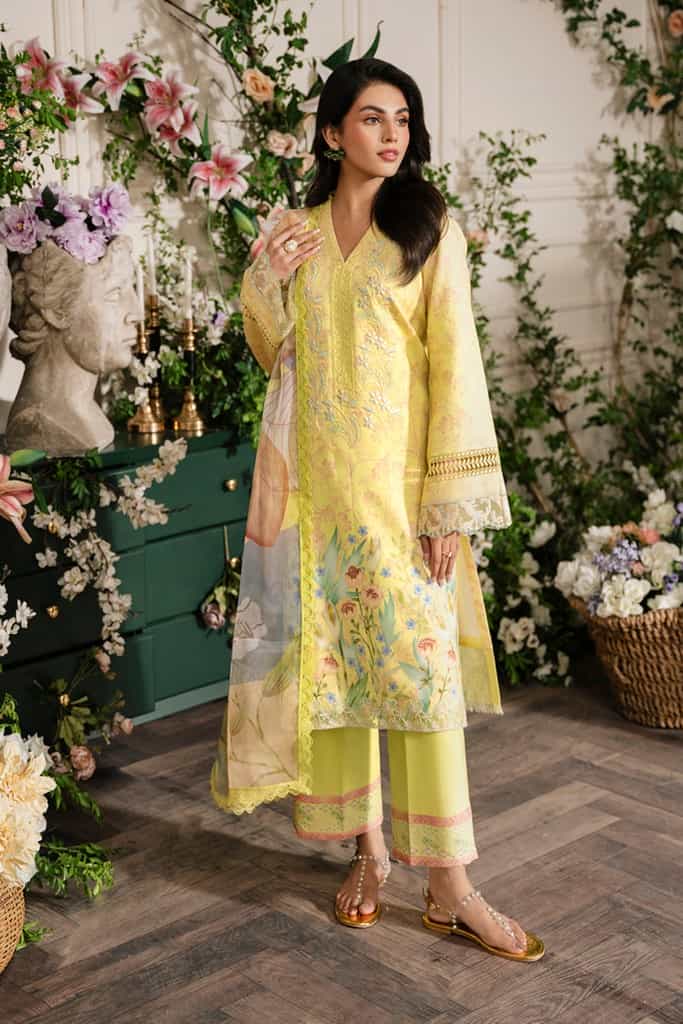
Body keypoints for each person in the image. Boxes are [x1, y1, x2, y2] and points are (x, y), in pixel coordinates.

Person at [211, 57, 544, 962]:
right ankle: (369, 855)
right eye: (370, 118)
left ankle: (452, 885)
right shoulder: (295, 233)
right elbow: (272, 353)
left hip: (401, 504)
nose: (391, 134)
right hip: (313, 503)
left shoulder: (429, 231)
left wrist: (448, 507)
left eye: (402, 118)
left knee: (423, 688)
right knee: (334, 683)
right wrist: (263, 282)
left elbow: (456, 368)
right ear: (331, 133)